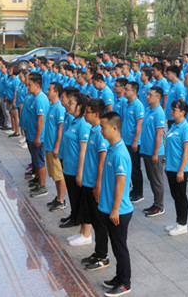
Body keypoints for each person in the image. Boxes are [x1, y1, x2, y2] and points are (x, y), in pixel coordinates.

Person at [97, 111, 134, 296]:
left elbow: (121, 184)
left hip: (119, 210)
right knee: (116, 246)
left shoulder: (119, 153)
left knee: (120, 248)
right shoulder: (112, 148)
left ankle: (125, 283)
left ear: (114, 128)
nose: (101, 130)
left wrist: (115, 209)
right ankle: (119, 278)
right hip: (110, 208)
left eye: (103, 127)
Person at [76, 98, 107, 260]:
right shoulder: (93, 130)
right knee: (94, 220)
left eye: (87, 112)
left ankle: (102, 256)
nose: (85, 115)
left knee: (99, 222)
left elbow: (102, 161)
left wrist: (98, 185)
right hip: (88, 182)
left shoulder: (101, 134)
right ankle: (98, 252)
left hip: (95, 184)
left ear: (96, 114)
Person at [59, 91, 89, 231]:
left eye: (71, 103)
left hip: (76, 168)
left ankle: (77, 220)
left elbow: (83, 150)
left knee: (77, 196)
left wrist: (80, 172)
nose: (68, 105)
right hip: (68, 166)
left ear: (79, 107)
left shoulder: (83, 124)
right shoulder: (73, 120)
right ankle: (73, 215)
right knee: (72, 194)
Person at [165, 99, 188, 236]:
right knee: (175, 196)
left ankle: (183, 224)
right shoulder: (174, 126)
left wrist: (181, 170)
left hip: (180, 168)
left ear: (182, 112)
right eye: (171, 109)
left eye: (174, 109)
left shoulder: (185, 128)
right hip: (171, 167)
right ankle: (178, 221)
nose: (171, 111)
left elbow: (186, 151)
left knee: (181, 196)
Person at [139, 86, 166, 217]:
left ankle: (160, 206)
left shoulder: (159, 112)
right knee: (151, 178)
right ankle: (155, 203)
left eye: (150, 95)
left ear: (158, 98)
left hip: (155, 152)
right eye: (147, 94)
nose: (147, 97)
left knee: (157, 180)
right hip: (146, 150)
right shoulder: (148, 109)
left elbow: (159, 135)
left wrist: (155, 153)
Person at [43, 82, 68, 211]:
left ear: (56, 92)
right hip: (49, 146)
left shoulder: (60, 108)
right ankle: (58, 197)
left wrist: (57, 147)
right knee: (55, 175)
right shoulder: (51, 106)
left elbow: (60, 128)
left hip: (54, 148)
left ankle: (62, 200)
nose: (47, 91)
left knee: (59, 175)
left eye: (50, 90)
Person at [121, 82, 145, 203]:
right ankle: (133, 190)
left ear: (134, 92)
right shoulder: (126, 104)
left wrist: (135, 141)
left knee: (135, 168)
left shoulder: (138, 105)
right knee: (128, 168)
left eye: (127, 89)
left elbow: (139, 124)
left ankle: (138, 192)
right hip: (125, 140)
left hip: (133, 142)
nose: (124, 91)